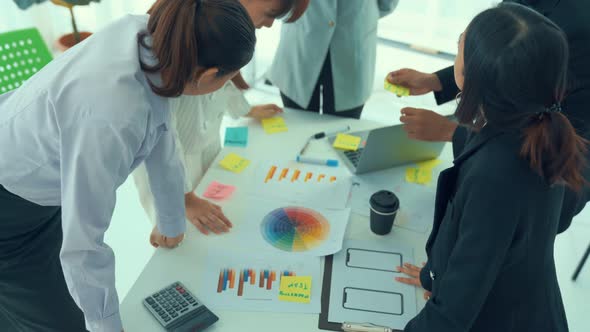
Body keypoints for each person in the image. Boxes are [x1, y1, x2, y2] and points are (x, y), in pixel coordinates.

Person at [0, 0, 256, 331]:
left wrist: (171, 223)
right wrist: (107, 326)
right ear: (208, 74)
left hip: (36, 183)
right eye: (230, 76)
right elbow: (84, 245)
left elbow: (161, 136)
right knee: (63, 321)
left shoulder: (157, 41)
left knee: (45, 301)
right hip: (10, 207)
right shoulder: (111, 115)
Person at [393, 3, 585, 330]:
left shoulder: (496, 176)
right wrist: (434, 273)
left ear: (475, 79)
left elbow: (450, 317)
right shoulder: (538, 135)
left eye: (459, 47)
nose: (456, 52)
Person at [387, 0, 590, 233]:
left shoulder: (581, 27)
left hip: (557, 166)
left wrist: (453, 132)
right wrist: (436, 81)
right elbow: (500, 56)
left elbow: (478, 256)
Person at [133, 0, 310, 236]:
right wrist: (175, 211)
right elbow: (159, 147)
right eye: (270, 14)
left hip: (206, 142)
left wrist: (246, 109)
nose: (268, 24)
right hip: (174, 157)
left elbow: (224, 81)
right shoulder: (182, 39)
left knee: (212, 212)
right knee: (181, 231)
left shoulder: (225, 31)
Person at [267, 0, 398, 119]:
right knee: (298, 126)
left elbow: (386, 4)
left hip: (350, 46)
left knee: (342, 132)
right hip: (303, 42)